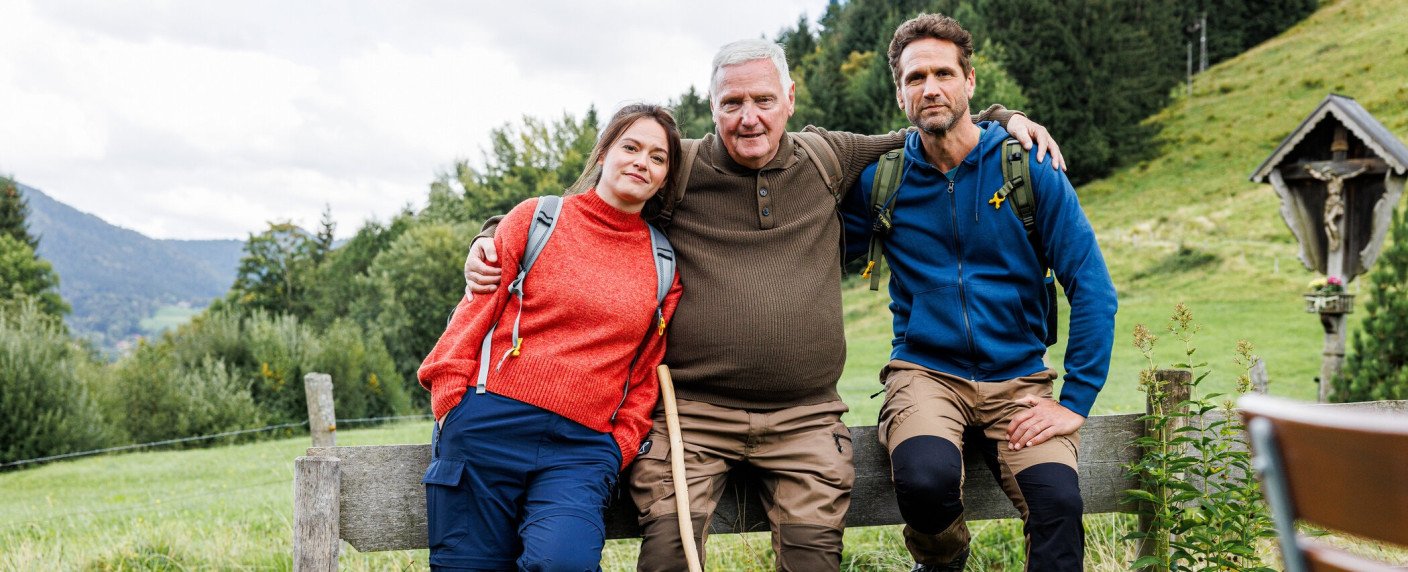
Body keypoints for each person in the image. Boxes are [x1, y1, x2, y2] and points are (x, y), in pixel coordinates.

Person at [464, 39, 1064, 571]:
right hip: (693, 415)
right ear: (713, 106)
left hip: (803, 417)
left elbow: (932, 127)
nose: (749, 118)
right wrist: (492, 237)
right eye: (731, 104)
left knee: (812, 557)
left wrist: (1002, 118)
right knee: (671, 552)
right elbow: (587, 206)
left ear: (790, 98)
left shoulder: (828, 157)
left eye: (763, 101)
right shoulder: (680, 168)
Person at [842, 14, 1117, 571]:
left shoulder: (1028, 166)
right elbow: (805, 248)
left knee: (1059, 507)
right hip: (925, 372)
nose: (931, 87)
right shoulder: (882, 183)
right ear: (900, 94)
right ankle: (942, 562)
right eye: (915, 77)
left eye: (944, 72)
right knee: (923, 479)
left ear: (969, 82)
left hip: (1018, 379)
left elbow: (1091, 287)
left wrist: (1074, 403)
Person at [418, 103, 685, 571]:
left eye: (658, 157)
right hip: (487, 428)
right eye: (631, 147)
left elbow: (644, 375)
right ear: (603, 153)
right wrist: (452, 404)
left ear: (666, 176)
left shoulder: (664, 264)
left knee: (564, 563)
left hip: (579, 451)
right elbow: (473, 314)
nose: (642, 162)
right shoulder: (537, 219)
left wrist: (617, 445)